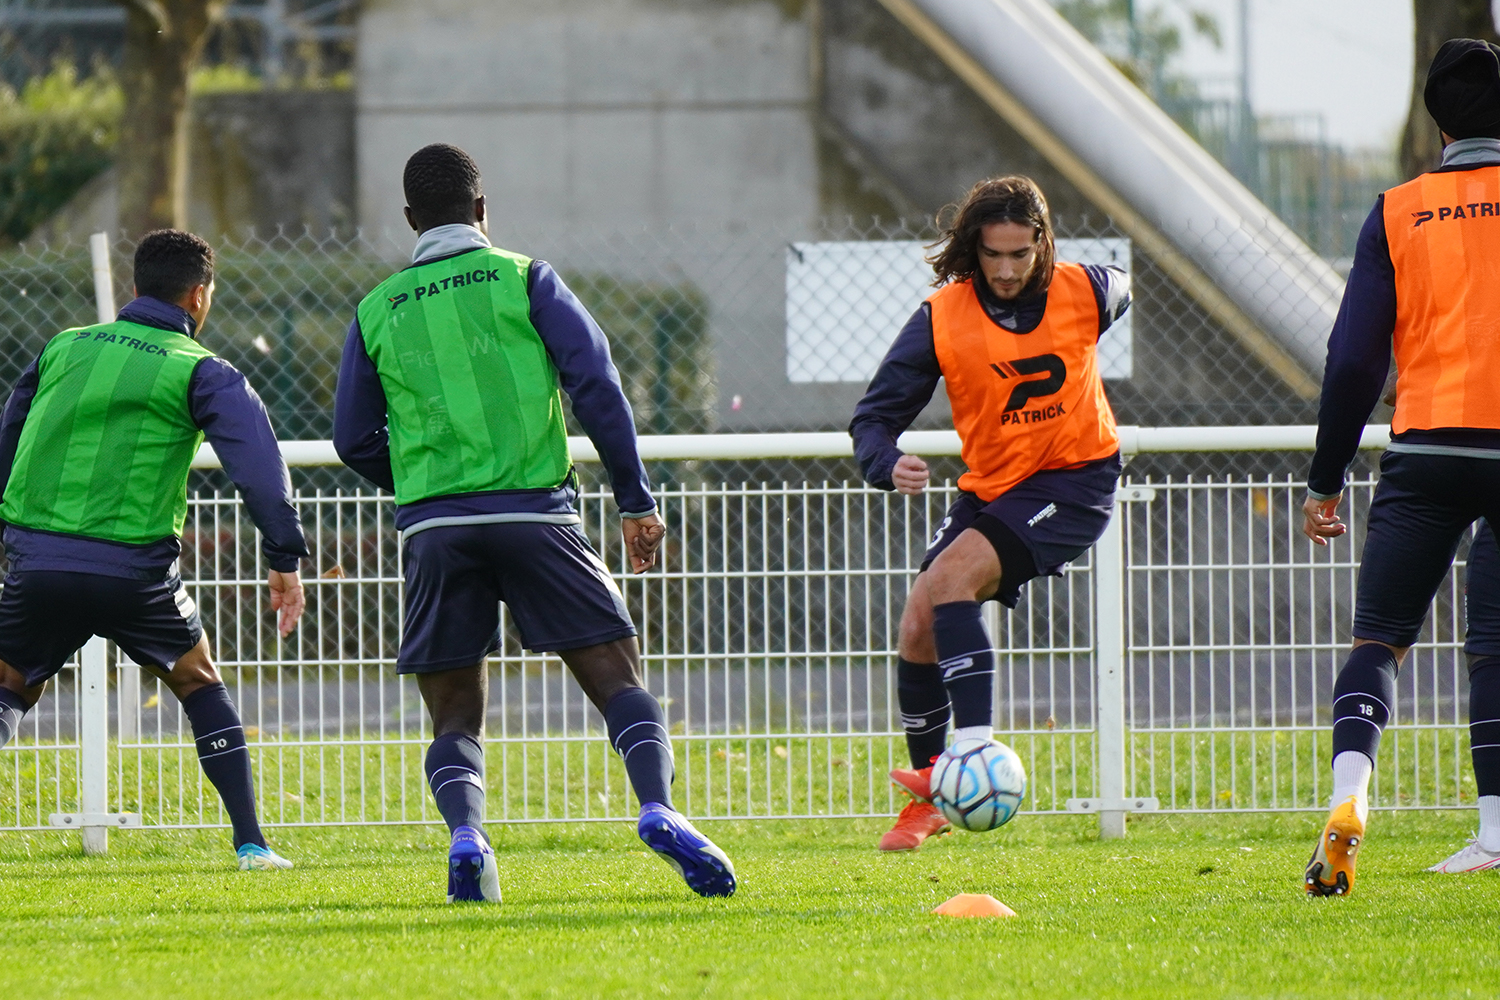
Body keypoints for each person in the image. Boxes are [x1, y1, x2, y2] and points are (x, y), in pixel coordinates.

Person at [333, 143, 735, 903]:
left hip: (435, 530)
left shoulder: (376, 309)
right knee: (618, 680)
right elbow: (596, 383)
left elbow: (353, 438)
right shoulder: (525, 277)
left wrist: (424, 483)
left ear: (412, 219)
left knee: (454, 714)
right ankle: (658, 808)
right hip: (536, 513)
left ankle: (468, 837)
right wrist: (634, 500)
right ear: (482, 209)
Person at [0, 229, 307, 870]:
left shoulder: (63, 347)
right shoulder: (203, 369)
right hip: (135, 574)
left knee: (10, 685)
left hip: (40, 563)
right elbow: (259, 469)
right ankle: (251, 844)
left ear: (136, 287)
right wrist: (284, 557)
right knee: (197, 680)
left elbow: (9, 438)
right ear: (199, 296)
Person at [850, 176, 1130, 851]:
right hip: (993, 488)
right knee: (919, 623)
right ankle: (930, 798)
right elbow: (873, 420)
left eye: (1020, 254)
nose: (1005, 271)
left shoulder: (1089, 291)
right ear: (972, 249)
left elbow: (1122, 285)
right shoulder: (941, 318)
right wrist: (888, 463)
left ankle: (973, 752)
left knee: (950, 581)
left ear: (1043, 244)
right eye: (992, 255)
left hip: (1074, 480)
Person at [1302, 38, 1500, 895]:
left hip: (1426, 449)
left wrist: (1327, 478)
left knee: (1379, 639)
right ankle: (1494, 831)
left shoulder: (1398, 210)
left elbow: (1353, 361)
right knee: (1494, 645)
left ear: (1436, 123)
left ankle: (1350, 796)